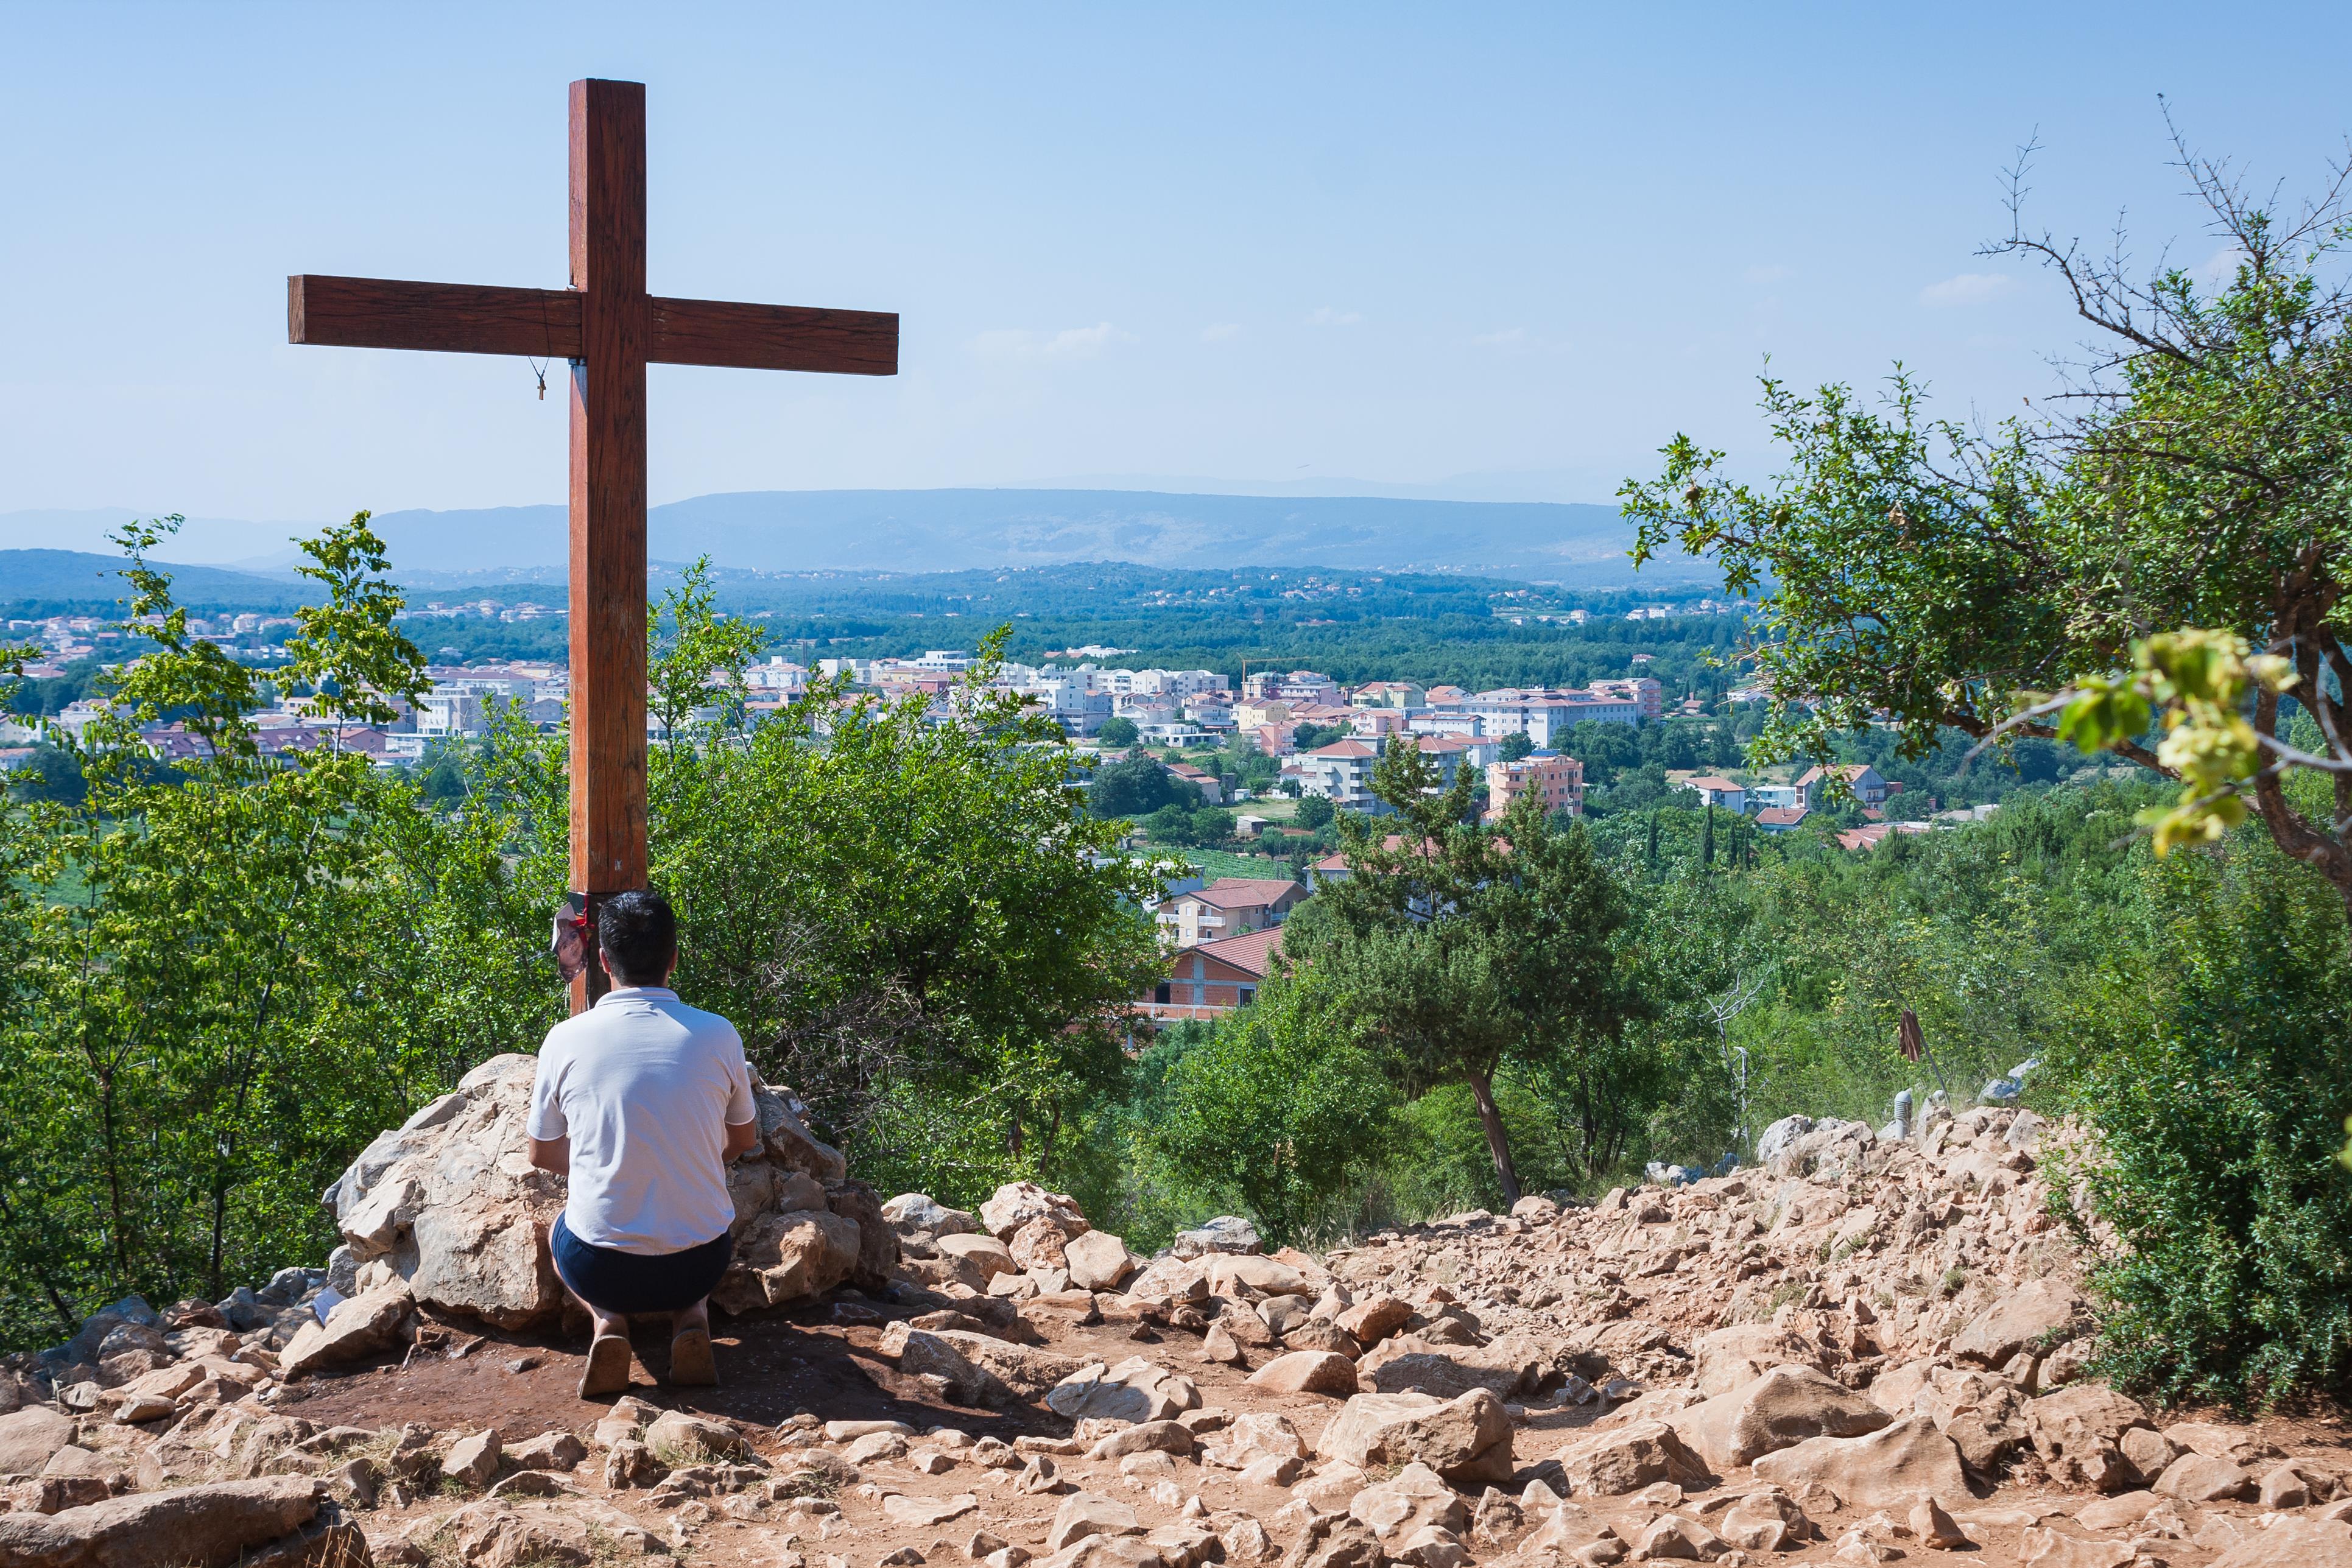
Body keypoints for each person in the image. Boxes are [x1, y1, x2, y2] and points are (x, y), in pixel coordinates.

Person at [527, 888, 760, 1398]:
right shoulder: (719, 1034)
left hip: (601, 1269)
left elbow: (541, 1152)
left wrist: (602, 1162)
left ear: (603, 960)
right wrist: (692, 1156)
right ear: (674, 958)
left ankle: (608, 1322)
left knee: (556, 1231)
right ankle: (692, 1316)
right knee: (707, 1220)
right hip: (699, 1263)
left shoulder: (565, 1038)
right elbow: (744, 1137)